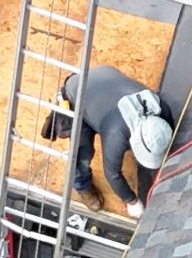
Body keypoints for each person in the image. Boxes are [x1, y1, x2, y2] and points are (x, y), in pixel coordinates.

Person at [41, 64, 174, 218]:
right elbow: (112, 174)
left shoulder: (160, 107)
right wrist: (132, 201)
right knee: (82, 154)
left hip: (104, 78)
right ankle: (81, 185)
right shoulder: (115, 135)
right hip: (77, 96)